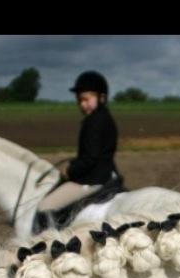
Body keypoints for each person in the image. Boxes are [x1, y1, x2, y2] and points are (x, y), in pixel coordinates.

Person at [36, 70, 121, 217]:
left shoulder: (93, 122)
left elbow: (90, 159)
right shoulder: (105, 117)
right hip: (109, 174)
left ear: (101, 97)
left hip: (93, 179)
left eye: (86, 99)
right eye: (79, 100)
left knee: (44, 207)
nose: (82, 104)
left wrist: (70, 170)